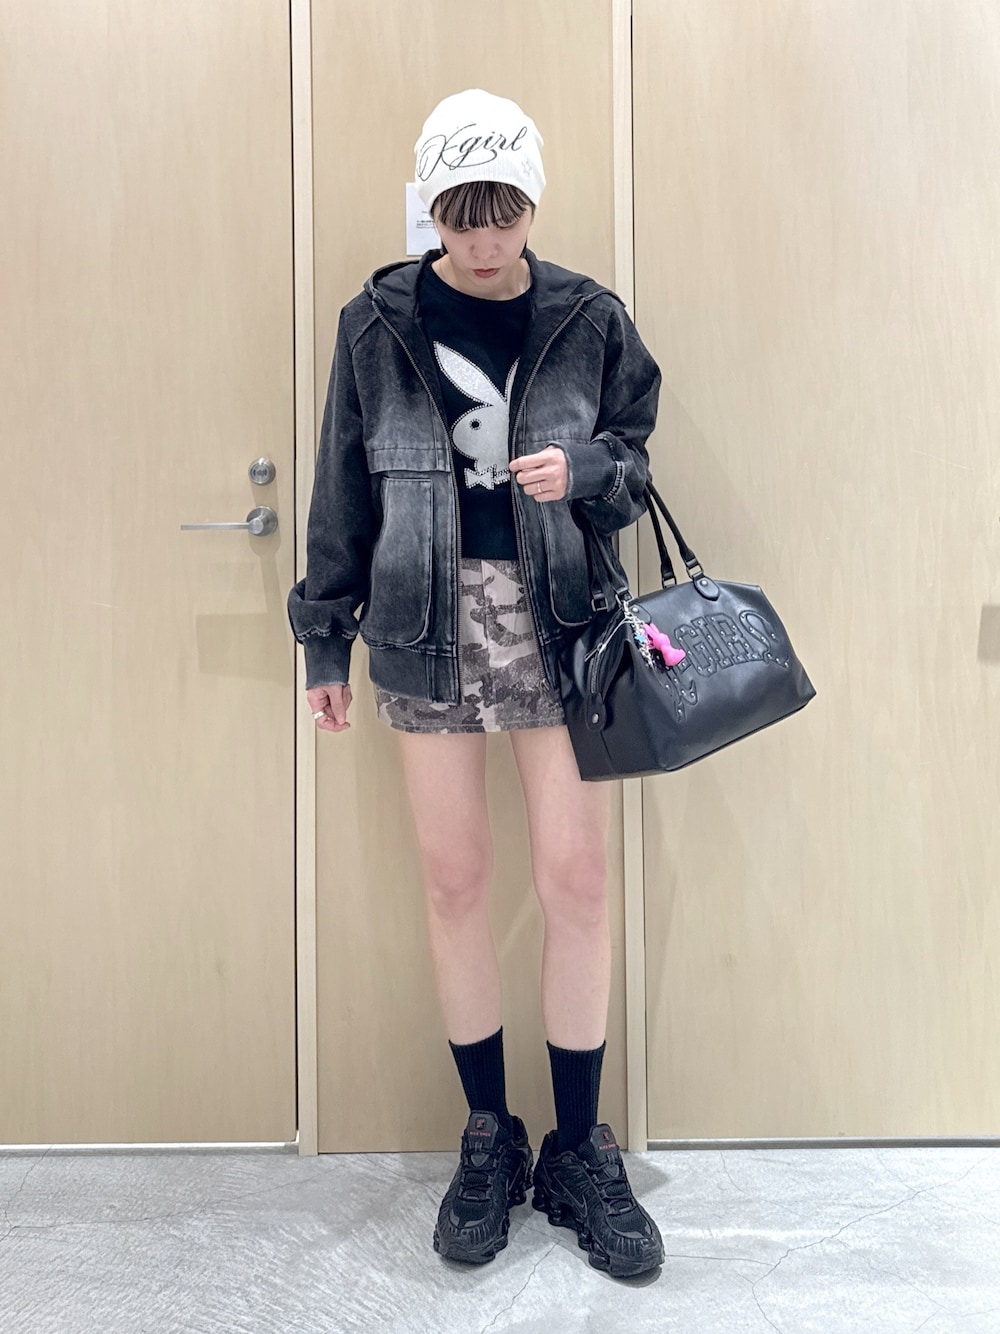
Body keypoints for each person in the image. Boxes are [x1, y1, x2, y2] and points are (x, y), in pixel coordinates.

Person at [288, 89, 665, 1279]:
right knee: (455, 882)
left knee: (578, 882)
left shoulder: (588, 316)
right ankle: (488, 1135)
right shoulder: (376, 321)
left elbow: (636, 462)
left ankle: (577, 1148)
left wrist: (587, 468)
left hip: (561, 626)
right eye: (462, 215)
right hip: (423, 623)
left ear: (531, 203)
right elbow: (341, 487)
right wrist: (323, 639)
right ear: (433, 206)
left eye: (504, 214)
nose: (484, 240)